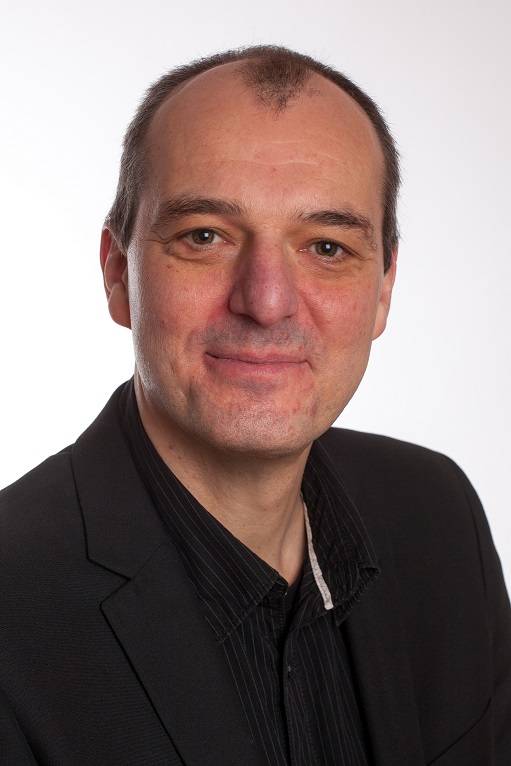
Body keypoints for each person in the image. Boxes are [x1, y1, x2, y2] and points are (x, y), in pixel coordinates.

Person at [0, 44, 509, 766]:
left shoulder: (437, 515)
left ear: (384, 289)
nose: (266, 302)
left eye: (326, 247)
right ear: (117, 274)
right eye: (204, 237)